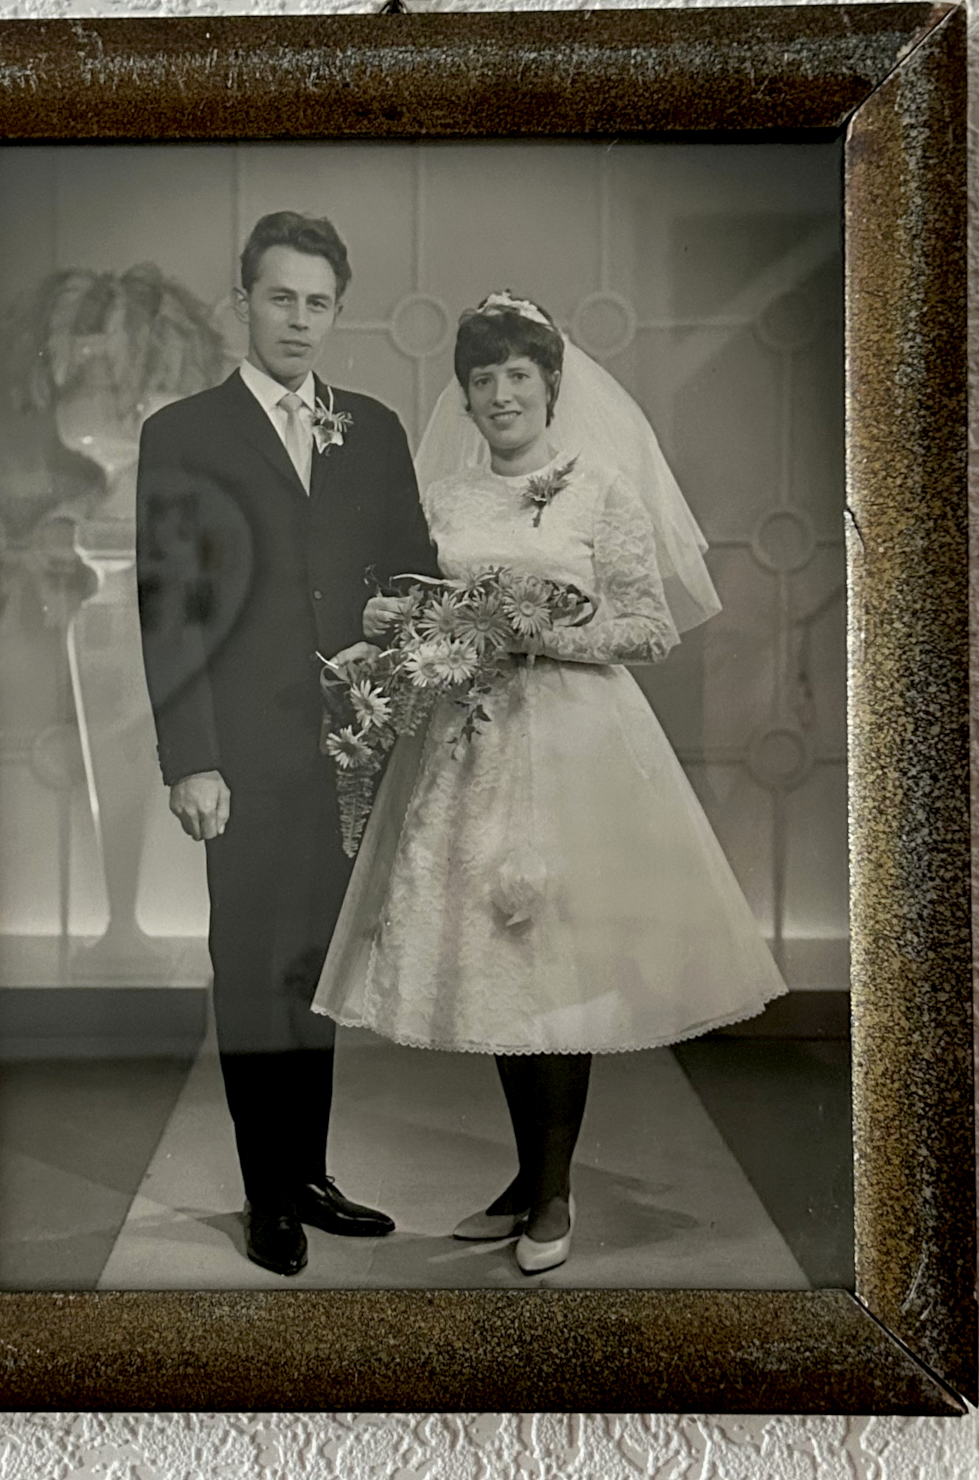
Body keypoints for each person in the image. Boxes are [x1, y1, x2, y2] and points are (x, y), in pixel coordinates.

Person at [312, 291, 788, 1273]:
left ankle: (556, 1192)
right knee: (496, 961)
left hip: (575, 747)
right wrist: (403, 622)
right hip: (467, 746)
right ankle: (528, 1176)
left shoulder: (598, 489)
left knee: (554, 961)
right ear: (464, 395)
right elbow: (422, 602)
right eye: (482, 379)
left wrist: (538, 633)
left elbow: (648, 628)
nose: (500, 396)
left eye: (518, 376)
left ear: (552, 385)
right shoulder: (446, 500)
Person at [135, 211, 438, 1276]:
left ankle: (308, 1175)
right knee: (252, 966)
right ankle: (266, 1194)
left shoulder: (375, 429)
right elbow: (169, 606)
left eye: (318, 302)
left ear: (336, 311)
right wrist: (192, 758)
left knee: (318, 965)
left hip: (351, 752)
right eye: (280, 298)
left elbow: (412, 574)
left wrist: (398, 659)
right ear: (244, 303)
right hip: (243, 755)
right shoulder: (184, 432)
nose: (299, 320)